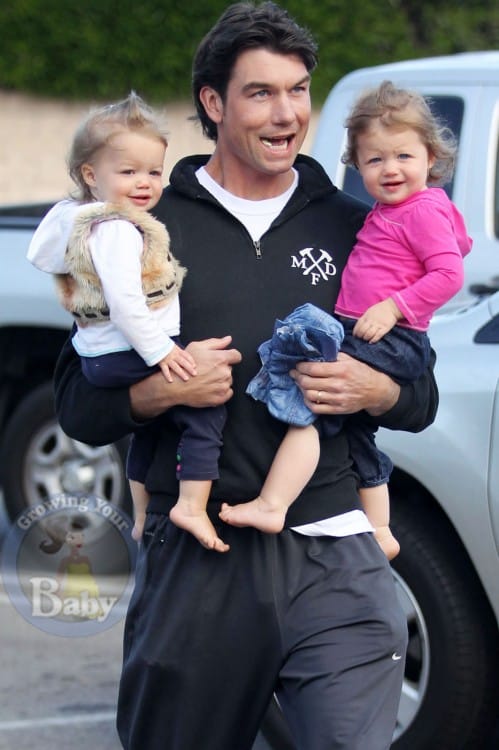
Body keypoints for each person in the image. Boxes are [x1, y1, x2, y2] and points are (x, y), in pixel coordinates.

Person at [53, 3, 439, 748]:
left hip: (336, 550)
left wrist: (377, 391)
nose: (286, 112)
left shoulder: (357, 223)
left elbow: (418, 394)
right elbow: (79, 404)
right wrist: (167, 389)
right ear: (212, 102)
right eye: (261, 92)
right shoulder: (140, 226)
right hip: (200, 556)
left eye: (297, 91)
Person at [219, 80, 472, 560]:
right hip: (378, 332)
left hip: (389, 334)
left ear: (431, 157)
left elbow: (449, 273)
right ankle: (380, 529)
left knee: (303, 400)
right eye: (375, 160)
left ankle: (274, 503)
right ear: (356, 166)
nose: (389, 169)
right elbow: (458, 245)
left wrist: (394, 306)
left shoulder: (419, 211)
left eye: (403, 156)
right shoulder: (396, 210)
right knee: (355, 432)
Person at [27, 92, 229, 552]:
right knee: (205, 407)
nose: (145, 183)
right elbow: (125, 304)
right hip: (129, 348)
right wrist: (165, 354)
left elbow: (45, 256)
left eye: (154, 172)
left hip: (102, 352)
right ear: (91, 175)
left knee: (153, 425)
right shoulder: (116, 229)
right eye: (129, 172)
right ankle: (191, 506)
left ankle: (141, 515)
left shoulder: (76, 218)